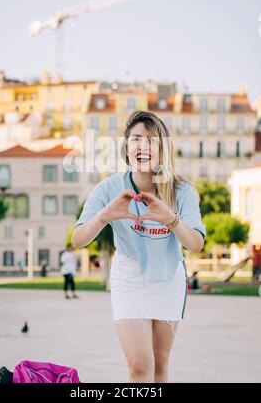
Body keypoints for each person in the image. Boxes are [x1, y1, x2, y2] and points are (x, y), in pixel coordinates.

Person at [71, 110, 206, 383]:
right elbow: (78, 239)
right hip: (129, 279)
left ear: (162, 149)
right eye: (135, 139)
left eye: (150, 140)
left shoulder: (182, 191)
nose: (142, 146)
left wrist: (171, 220)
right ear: (126, 148)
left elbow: (196, 244)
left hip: (168, 280)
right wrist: (104, 216)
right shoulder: (108, 189)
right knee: (140, 367)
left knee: (159, 367)